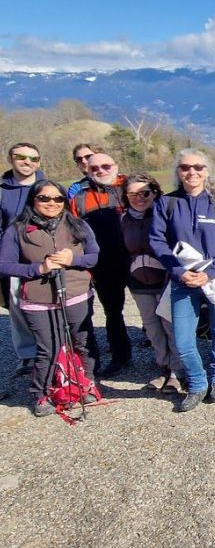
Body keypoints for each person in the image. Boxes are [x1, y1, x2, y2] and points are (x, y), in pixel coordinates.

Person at [148, 150, 215, 412]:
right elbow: (157, 240)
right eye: (186, 167)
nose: (192, 172)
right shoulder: (166, 203)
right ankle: (198, 382)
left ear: (206, 171)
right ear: (178, 172)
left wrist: (210, 273)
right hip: (183, 280)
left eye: (198, 167)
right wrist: (178, 272)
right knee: (183, 339)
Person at [0, 180, 99, 416]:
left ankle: (87, 383)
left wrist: (72, 260)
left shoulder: (78, 225)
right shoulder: (18, 230)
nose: (52, 203)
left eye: (58, 198)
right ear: (33, 200)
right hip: (37, 298)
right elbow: (4, 265)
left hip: (76, 294)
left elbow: (94, 257)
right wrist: (38, 269)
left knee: (83, 343)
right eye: (44, 198)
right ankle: (41, 393)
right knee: (48, 348)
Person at [70, 152, 132, 377]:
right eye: (94, 168)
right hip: (104, 264)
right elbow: (74, 233)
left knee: (154, 311)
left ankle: (166, 358)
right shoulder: (79, 198)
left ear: (116, 166)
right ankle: (120, 355)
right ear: (87, 171)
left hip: (137, 260)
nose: (101, 171)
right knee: (113, 313)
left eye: (106, 166)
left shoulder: (131, 188)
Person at [121, 173, 182, 394]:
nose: (139, 198)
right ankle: (163, 366)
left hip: (166, 279)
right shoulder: (123, 220)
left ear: (155, 193)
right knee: (152, 326)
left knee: (171, 326)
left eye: (144, 193)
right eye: (132, 194)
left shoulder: (166, 214)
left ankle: (178, 370)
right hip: (138, 282)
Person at [0, 142, 44, 374]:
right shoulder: (2, 190)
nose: (27, 162)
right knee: (17, 305)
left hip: (44, 254)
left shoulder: (45, 187)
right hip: (14, 258)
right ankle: (28, 354)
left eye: (33, 158)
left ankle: (58, 349)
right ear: (11, 158)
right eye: (21, 157)